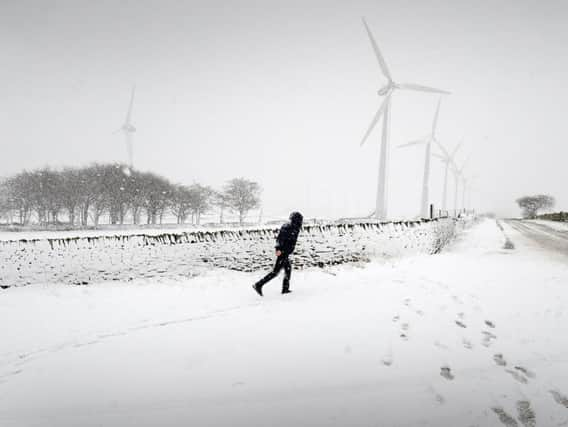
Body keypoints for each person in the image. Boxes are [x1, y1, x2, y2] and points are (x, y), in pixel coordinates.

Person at [253, 211, 303, 296]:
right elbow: (280, 239)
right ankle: (258, 284)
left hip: (285, 252)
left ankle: (285, 289)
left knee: (288, 269)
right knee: (275, 272)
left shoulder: (294, 228)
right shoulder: (288, 227)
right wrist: (278, 249)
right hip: (283, 252)